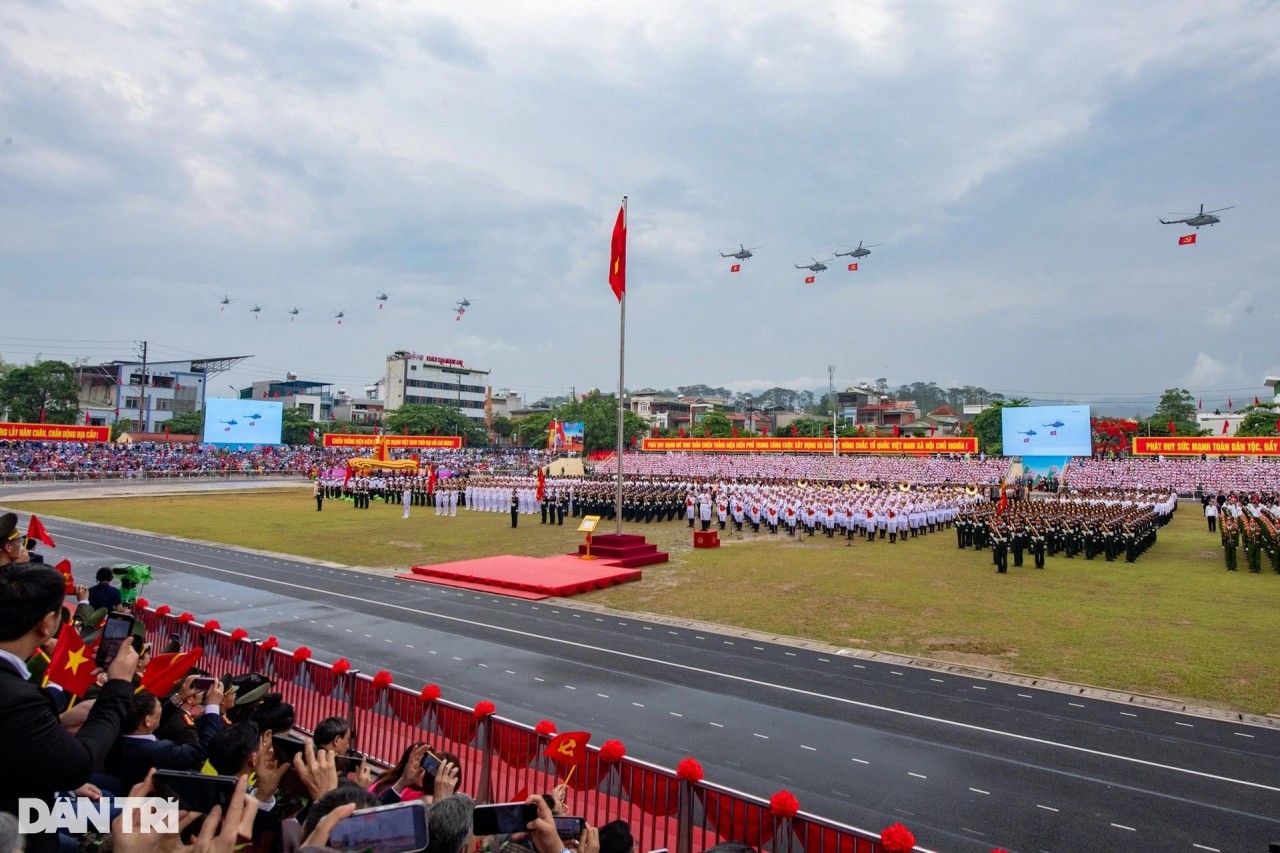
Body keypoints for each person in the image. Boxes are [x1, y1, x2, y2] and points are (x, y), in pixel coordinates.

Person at [0, 563, 139, 853]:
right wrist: (119, 687)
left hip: (32, 807)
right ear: (47, 623)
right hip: (23, 823)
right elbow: (79, 764)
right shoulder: (18, 698)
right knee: (160, 815)